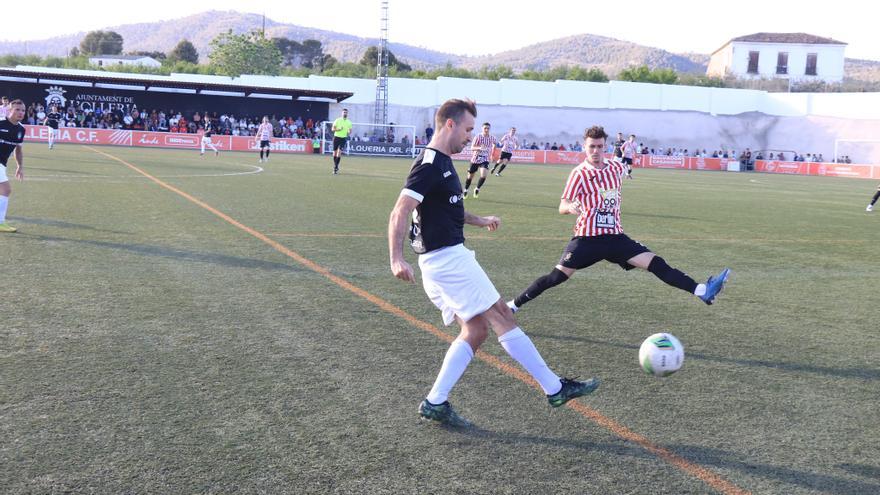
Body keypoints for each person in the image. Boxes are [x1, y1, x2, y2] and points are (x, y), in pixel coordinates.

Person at [388, 99, 599, 427]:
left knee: (476, 329)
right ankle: (555, 388)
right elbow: (400, 210)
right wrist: (396, 258)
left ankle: (435, 401)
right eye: (469, 129)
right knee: (501, 314)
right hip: (447, 260)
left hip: (443, 260)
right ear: (450, 125)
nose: (471, 137)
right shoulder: (430, 163)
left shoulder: (442, 162)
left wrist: (480, 219)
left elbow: (448, 210)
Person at [507, 125, 730, 314]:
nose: (595, 150)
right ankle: (513, 305)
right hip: (587, 239)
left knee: (655, 263)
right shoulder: (579, 173)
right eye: (591, 146)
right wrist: (571, 207)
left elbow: (621, 173)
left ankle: (702, 291)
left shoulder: (616, 167)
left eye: (599, 146)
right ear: (584, 146)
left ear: (606, 146)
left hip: (615, 238)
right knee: (556, 277)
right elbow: (562, 205)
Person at [0, 99, 26, 233]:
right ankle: (0, 222)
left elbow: (18, 149)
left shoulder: (21, 129)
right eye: (17, 109)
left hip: (2, 164)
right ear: (9, 111)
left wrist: (19, 166)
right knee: (5, 189)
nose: (20, 112)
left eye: (22, 110)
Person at [462, 122, 497, 198]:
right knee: (470, 177)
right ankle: (466, 190)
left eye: (488, 128)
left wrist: (492, 154)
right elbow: (472, 148)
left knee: (484, 175)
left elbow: (495, 144)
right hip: (475, 159)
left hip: (485, 159)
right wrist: (479, 148)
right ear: (482, 128)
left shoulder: (492, 138)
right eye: (485, 128)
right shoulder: (478, 137)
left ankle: (477, 189)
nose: (486, 130)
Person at [331, 108, 352, 174]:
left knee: (339, 152)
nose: (345, 113)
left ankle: (335, 167)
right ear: (341, 113)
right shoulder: (337, 120)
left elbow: (350, 131)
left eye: (346, 112)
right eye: (344, 112)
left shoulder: (349, 122)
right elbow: (332, 129)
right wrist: (338, 129)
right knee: (334, 152)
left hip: (343, 138)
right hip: (336, 137)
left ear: (347, 113)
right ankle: (336, 166)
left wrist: (349, 132)